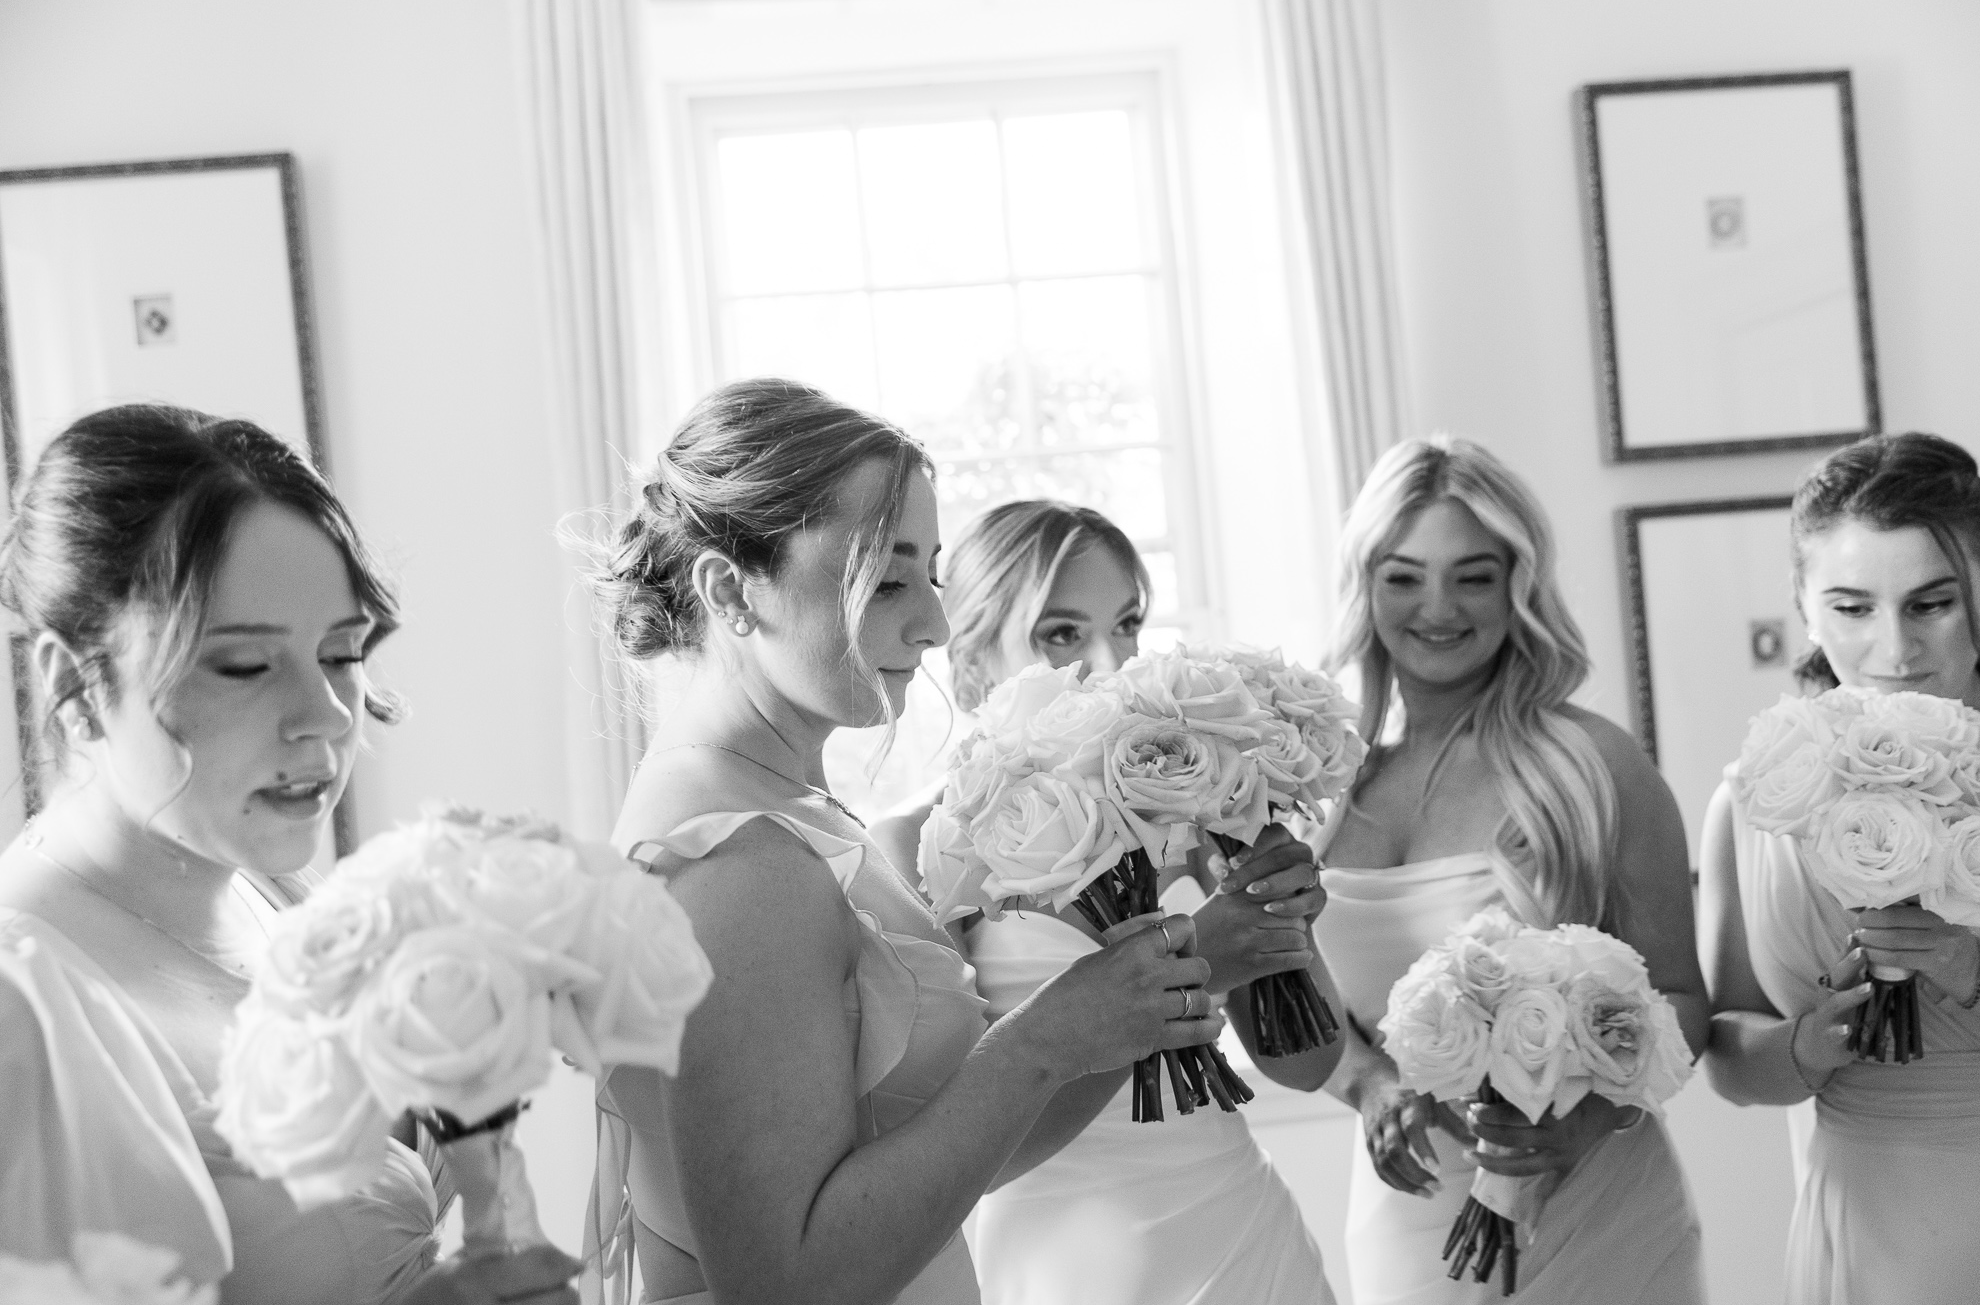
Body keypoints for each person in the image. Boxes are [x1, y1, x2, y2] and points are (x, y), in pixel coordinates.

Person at [581, 380, 1224, 1305]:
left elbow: (941, 1162)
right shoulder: (740, 861)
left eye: (929, 575)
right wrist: (1040, 1040)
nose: (931, 622)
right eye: (885, 579)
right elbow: (783, 1282)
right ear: (729, 589)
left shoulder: (784, 806)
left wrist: (1131, 1007)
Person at [0, 404, 576, 1304]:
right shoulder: (23, 1007)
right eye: (243, 665)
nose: (331, 715)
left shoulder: (262, 886)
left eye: (341, 652)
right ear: (74, 684)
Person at [872, 499, 1343, 1305]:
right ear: (976, 659)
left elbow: (1308, 1066)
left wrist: (1282, 926)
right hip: (1068, 1268)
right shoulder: (916, 845)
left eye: (1126, 624)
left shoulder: (1204, 804)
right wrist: (1191, 959)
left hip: (1244, 1243)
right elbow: (964, 1159)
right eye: (1062, 634)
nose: (1111, 658)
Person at [1311, 434, 1708, 1304]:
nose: (1438, 607)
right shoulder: (1321, 784)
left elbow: (1682, 1000)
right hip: (1406, 1214)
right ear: (1365, 583)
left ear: (1517, 585)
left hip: (1594, 1204)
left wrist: (1583, 1126)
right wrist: (1371, 1085)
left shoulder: (1596, 766)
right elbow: (1286, 996)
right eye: (1404, 575)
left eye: (1474, 575)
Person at [1698, 432, 1980, 1304]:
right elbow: (1727, 1049)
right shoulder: (1753, 801)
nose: (1894, 648)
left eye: (1930, 604)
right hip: (1864, 1230)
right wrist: (1806, 1044)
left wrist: (1963, 963)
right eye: (1853, 607)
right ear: (1803, 606)